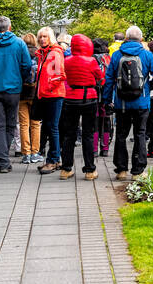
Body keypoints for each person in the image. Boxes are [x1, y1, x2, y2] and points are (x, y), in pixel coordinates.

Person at [101, 26, 153, 180]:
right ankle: (138, 171)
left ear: (127, 39)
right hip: (141, 102)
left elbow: (109, 80)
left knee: (121, 135)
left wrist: (107, 100)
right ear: (141, 40)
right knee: (140, 134)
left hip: (121, 103)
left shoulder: (116, 55)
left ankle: (121, 170)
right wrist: (149, 88)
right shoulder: (147, 55)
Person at [0, 15, 35, 173]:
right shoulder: (19, 43)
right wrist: (20, 79)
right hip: (14, 89)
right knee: (10, 125)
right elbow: (27, 65)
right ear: (9, 28)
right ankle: (1, 161)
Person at [60, 33, 105, 180]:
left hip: (70, 99)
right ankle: (89, 170)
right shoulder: (91, 61)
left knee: (69, 135)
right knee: (88, 134)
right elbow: (100, 77)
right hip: (88, 99)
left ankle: (66, 169)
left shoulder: (66, 60)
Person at [35, 26, 68, 174]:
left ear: (50, 38)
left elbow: (58, 75)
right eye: (40, 37)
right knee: (50, 127)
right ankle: (53, 158)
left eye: (45, 37)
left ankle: (53, 160)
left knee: (52, 128)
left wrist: (46, 89)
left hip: (53, 95)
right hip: (47, 95)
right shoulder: (44, 53)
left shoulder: (53, 53)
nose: (42, 39)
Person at [17, 31, 43, 163]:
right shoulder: (39, 54)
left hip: (21, 93)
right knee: (36, 124)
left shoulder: (20, 54)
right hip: (35, 93)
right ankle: (35, 153)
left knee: (23, 124)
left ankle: (25, 153)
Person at [92, 37, 113, 157]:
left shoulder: (91, 59)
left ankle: (94, 149)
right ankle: (105, 148)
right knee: (106, 121)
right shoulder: (108, 59)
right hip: (107, 93)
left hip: (94, 94)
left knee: (94, 121)